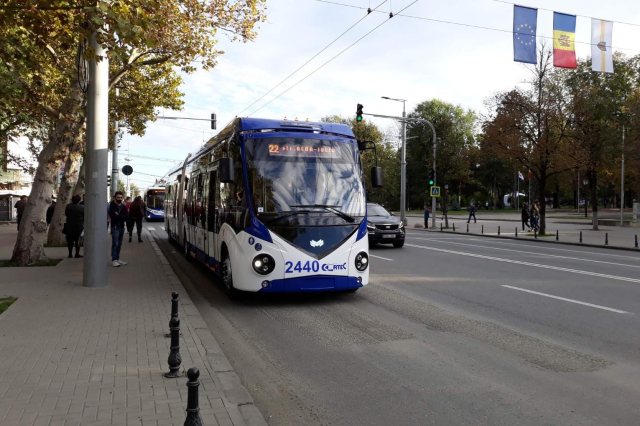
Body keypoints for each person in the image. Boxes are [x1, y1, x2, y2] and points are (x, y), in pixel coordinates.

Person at [109, 191, 129, 267]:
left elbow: (127, 217)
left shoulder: (123, 206)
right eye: (118, 198)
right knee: (115, 243)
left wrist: (119, 216)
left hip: (121, 227)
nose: (119, 199)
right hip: (115, 228)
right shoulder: (112, 205)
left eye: (121, 198)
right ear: (114, 197)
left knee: (119, 244)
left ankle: (117, 259)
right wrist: (121, 216)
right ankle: (114, 260)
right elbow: (113, 217)